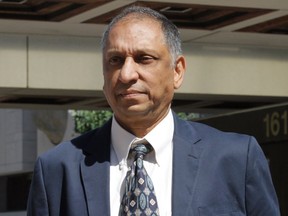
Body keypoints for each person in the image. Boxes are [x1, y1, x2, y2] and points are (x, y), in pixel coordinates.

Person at [27, 5, 280, 216]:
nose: (126, 74)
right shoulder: (57, 169)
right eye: (115, 60)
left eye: (143, 58)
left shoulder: (235, 159)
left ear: (177, 71)